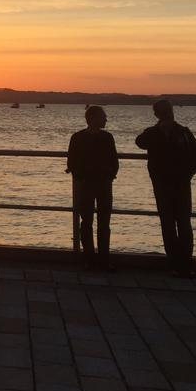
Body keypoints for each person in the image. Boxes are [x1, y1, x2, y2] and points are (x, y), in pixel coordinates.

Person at [135, 99, 196, 278]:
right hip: (166, 184)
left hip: (177, 184)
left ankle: (183, 265)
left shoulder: (183, 132)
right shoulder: (156, 133)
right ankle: (178, 264)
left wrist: (188, 174)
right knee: (172, 224)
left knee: (180, 224)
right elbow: (140, 142)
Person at [67, 105, 119, 271]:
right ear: (94, 118)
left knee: (97, 222)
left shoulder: (83, 137)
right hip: (92, 184)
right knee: (92, 222)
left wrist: (109, 175)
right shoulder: (90, 138)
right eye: (103, 116)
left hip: (99, 184)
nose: (106, 119)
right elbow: (72, 163)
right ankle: (94, 259)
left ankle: (97, 260)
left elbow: (114, 162)